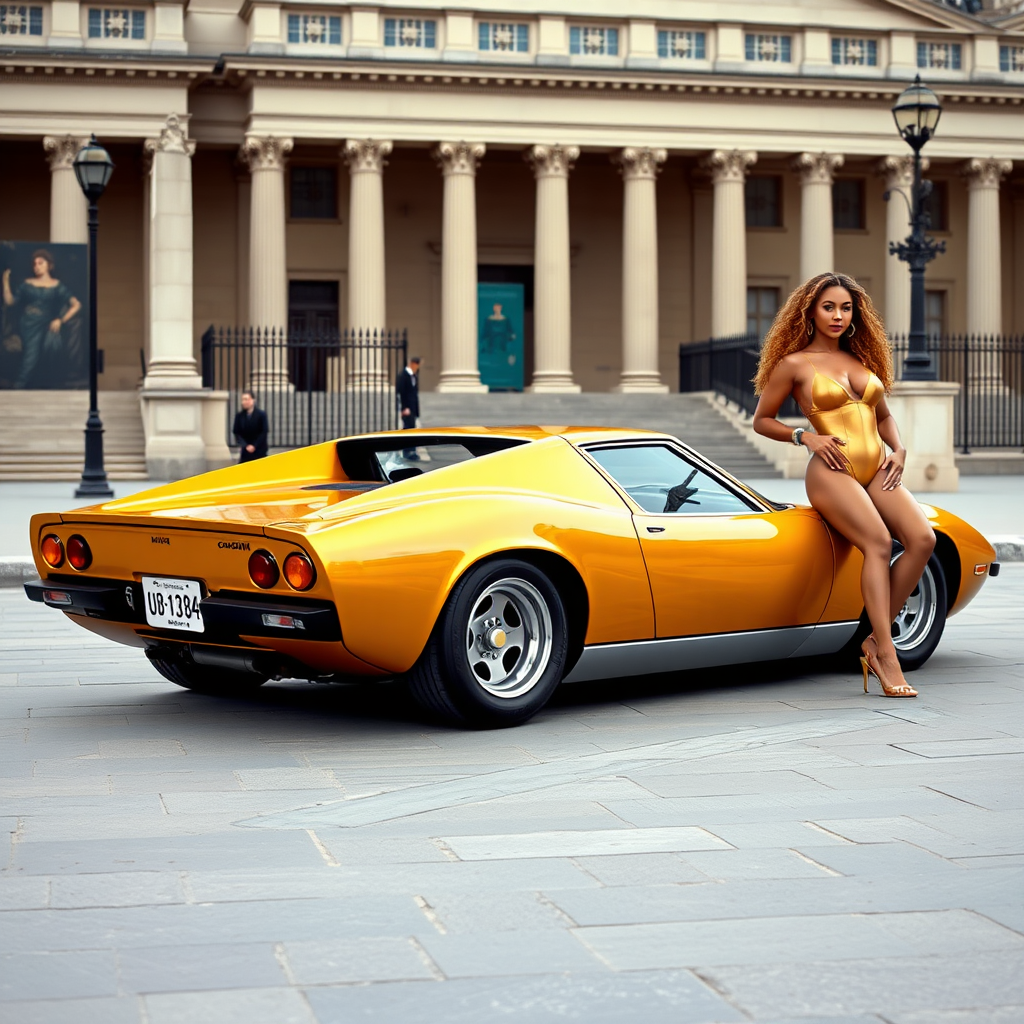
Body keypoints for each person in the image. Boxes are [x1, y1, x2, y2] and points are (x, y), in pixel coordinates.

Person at [752, 272, 935, 699]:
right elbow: (762, 420)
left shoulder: (861, 360)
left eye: (846, 308)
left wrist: (900, 449)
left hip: (878, 470)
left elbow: (884, 417)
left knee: (922, 539)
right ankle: (886, 654)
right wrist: (805, 436)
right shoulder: (794, 364)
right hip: (832, 471)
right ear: (810, 311)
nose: (838, 315)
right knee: (878, 544)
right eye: (829, 307)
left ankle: (874, 639)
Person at [2, 250, 82, 388]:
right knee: (30, 355)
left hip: (45, 324)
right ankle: (18, 387)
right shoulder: (27, 284)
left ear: (49, 265)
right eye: (34, 264)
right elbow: (10, 302)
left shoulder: (57, 285)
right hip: (28, 324)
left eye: (40, 263)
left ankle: (31, 386)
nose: (36, 266)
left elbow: (77, 305)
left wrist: (60, 320)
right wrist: (5, 282)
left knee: (48, 349)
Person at [232, 390, 268, 462]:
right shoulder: (239, 416)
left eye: (246, 399)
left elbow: (264, 432)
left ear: (252, 400)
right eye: (243, 400)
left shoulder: (261, 415)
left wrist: (254, 446)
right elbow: (236, 432)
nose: (244, 402)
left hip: (259, 451)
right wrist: (245, 445)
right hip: (245, 453)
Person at [397, 355, 421, 430]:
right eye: (418, 365)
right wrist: (405, 407)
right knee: (407, 429)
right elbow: (402, 392)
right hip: (407, 409)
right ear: (413, 364)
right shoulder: (403, 375)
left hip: (413, 409)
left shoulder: (414, 376)